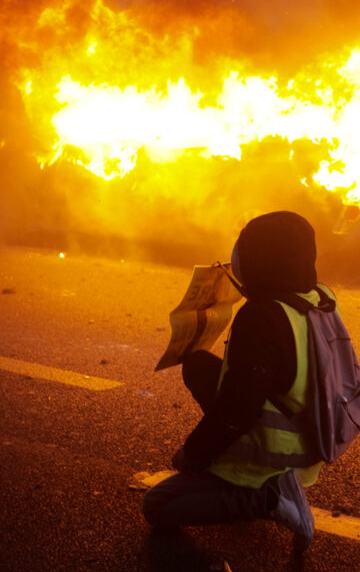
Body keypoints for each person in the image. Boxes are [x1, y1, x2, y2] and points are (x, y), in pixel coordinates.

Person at [142, 211, 348, 551]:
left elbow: (238, 409)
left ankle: (265, 496)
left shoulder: (262, 317)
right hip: (313, 434)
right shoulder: (319, 298)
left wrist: (194, 455)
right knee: (197, 366)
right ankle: (265, 484)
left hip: (277, 452)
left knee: (157, 505)